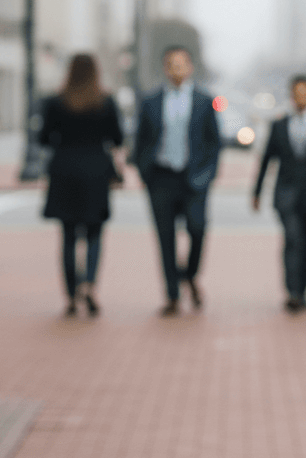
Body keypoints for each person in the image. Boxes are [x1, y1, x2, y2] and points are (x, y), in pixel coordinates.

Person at [132, 46, 222, 316]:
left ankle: (190, 275)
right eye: (171, 64)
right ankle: (171, 294)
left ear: (190, 67)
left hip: (194, 179)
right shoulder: (150, 101)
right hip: (161, 178)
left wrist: (208, 175)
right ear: (165, 68)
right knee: (165, 237)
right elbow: (141, 141)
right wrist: (145, 173)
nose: (177, 69)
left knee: (197, 229)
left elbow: (213, 143)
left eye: (181, 64)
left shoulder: (205, 101)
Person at [40, 54, 124, 318]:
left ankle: (71, 294)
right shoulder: (105, 101)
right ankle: (89, 283)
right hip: (96, 171)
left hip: (64, 169)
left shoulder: (56, 101)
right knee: (95, 233)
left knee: (67, 235)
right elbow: (117, 137)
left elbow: (44, 137)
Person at [251, 74, 306, 313]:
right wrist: (257, 192)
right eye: (296, 94)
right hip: (285, 194)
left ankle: (302, 292)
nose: (300, 98)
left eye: (305, 94)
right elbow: (266, 160)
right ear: (291, 97)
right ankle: (291, 292)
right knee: (292, 239)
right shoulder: (278, 125)